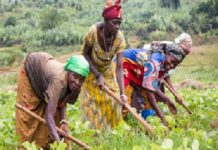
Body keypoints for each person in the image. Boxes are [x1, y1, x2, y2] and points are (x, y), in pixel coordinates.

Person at [15, 52, 89, 149]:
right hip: (31, 69)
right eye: (75, 77)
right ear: (68, 72)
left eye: (81, 79)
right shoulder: (58, 81)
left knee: (56, 119)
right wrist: (59, 143)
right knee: (28, 117)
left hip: (46, 74)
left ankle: (44, 146)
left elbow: (62, 101)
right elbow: (48, 115)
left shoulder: (77, 83)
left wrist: (63, 122)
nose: (77, 82)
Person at [122, 33, 192, 126]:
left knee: (148, 102)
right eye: (172, 62)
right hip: (124, 65)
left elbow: (153, 86)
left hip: (138, 74)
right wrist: (162, 117)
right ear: (167, 54)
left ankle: (148, 125)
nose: (171, 66)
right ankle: (115, 128)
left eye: (175, 65)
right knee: (124, 101)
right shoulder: (155, 62)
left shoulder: (165, 65)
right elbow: (149, 92)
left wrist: (167, 100)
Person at [81, 0, 126, 130]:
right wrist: (97, 74)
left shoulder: (120, 39)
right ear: (106, 21)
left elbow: (119, 67)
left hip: (108, 72)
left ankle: (111, 135)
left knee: (114, 102)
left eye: (119, 23)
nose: (117, 27)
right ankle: (94, 137)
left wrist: (122, 94)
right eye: (114, 23)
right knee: (91, 108)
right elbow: (84, 54)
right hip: (91, 71)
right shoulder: (93, 32)